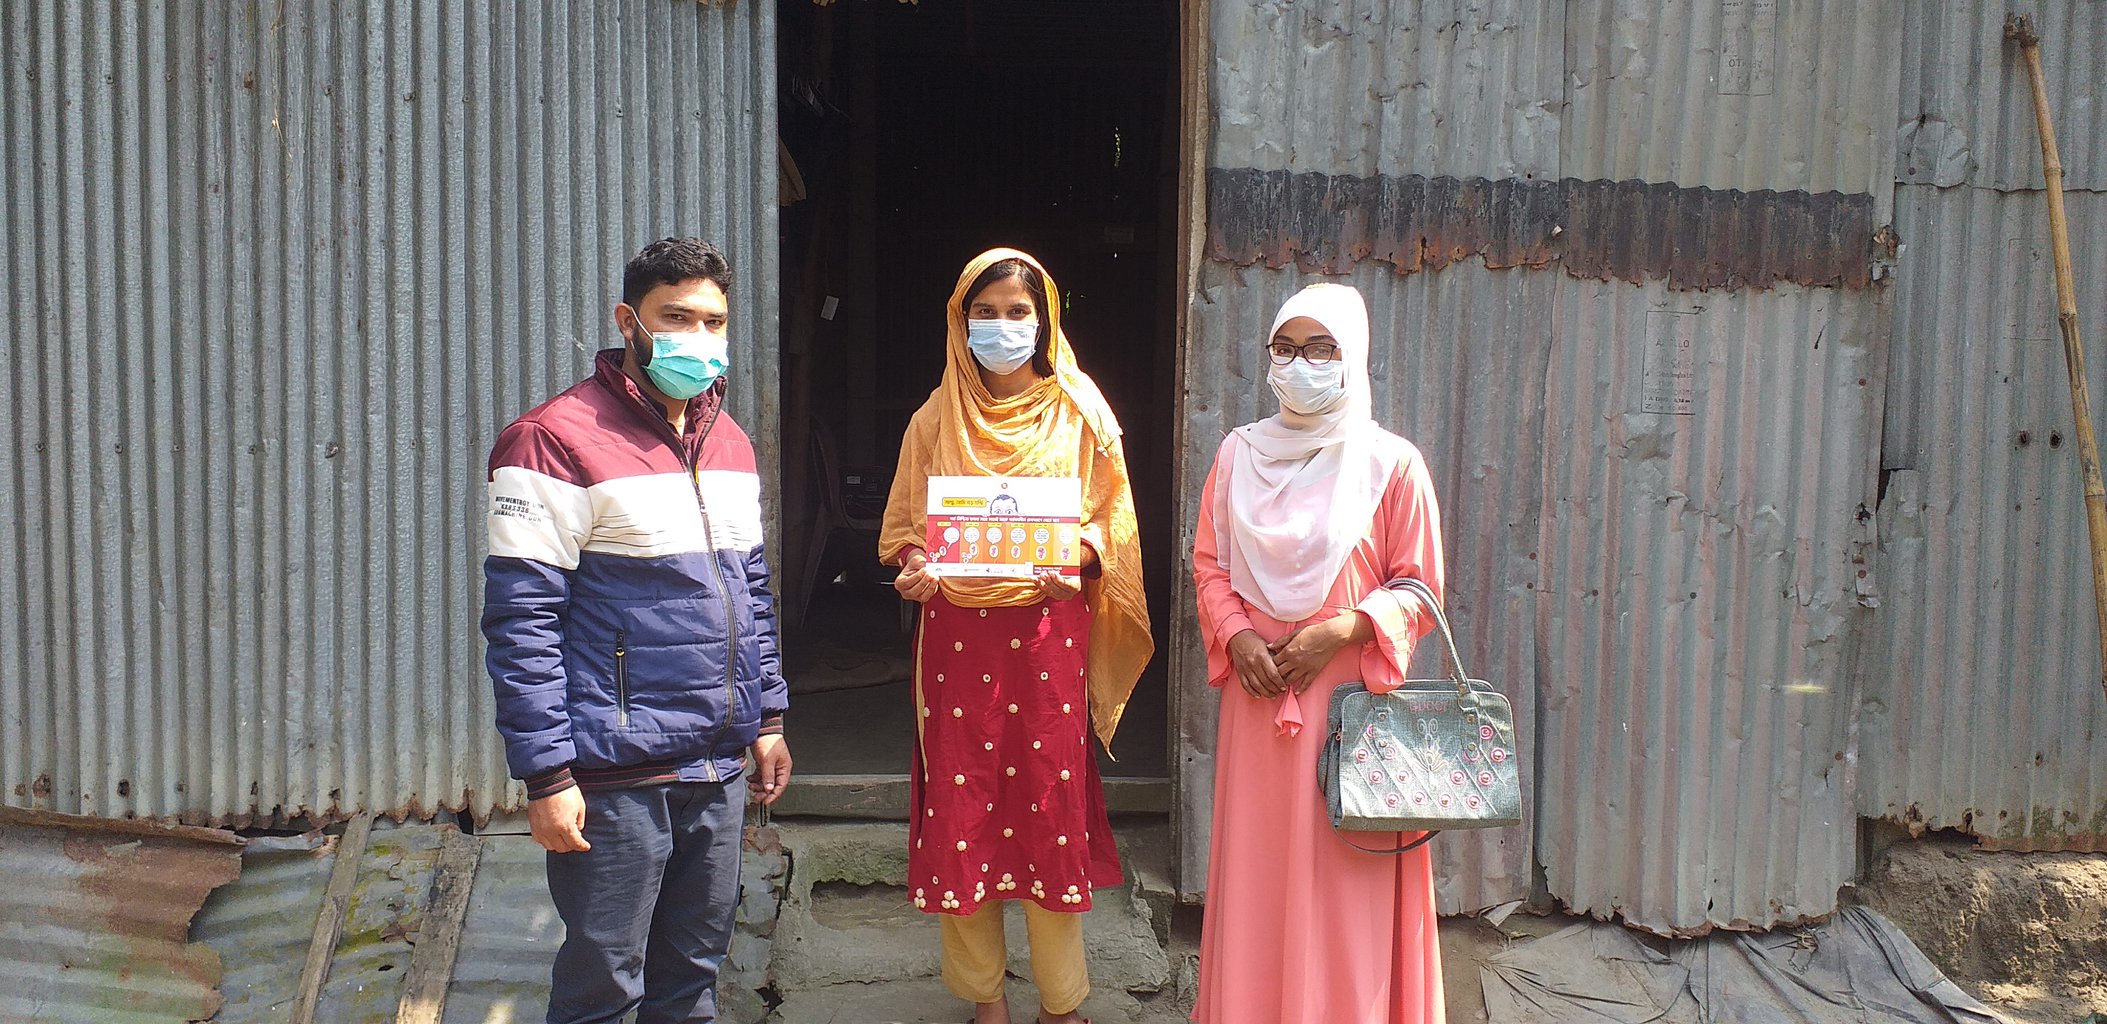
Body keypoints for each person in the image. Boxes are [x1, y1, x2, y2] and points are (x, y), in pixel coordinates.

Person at [482, 237, 793, 1024]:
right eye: (675, 317)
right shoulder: (553, 440)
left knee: (691, 976)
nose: (698, 339)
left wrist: (767, 718)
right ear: (630, 320)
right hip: (616, 774)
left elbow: (749, 594)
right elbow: (522, 622)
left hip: (717, 767)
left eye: (713, 322)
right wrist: (548, 776)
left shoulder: (730, 444)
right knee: (604, 985)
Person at [880, 248, 1155, 1024]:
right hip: (955, 639)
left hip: (1045, 635)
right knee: (962, 807)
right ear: (959, 322)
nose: (1002, 327)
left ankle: (1062, 1003)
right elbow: (906, 528)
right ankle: (985, 1001)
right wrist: (915, 566)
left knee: (1046, 804)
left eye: (1017, 312)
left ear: (1045, 321)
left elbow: (1114, 523)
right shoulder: (933, 419)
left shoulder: (1079, 411)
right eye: (985, 312)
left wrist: (1080, 555)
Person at [1189, 283, 1447, 1023]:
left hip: (1350, 715)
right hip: (1259, 699)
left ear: (1352, 357)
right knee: (1260, 878)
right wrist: (1237, 636)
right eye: (1286, 348)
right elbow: (1210, 564)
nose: (1300, 365)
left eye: (1321, 349)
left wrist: (1342, 630)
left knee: (1345, 884)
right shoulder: (1237, 456)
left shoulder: (1391, 465)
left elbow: (1420, 587)